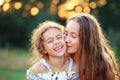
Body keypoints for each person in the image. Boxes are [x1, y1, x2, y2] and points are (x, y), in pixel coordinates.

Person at [65, 13, 120, 80]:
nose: (66, 39)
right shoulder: (64, 58)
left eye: (73, 36)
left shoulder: (102, 65)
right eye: (66, 34)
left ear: (86, 39)